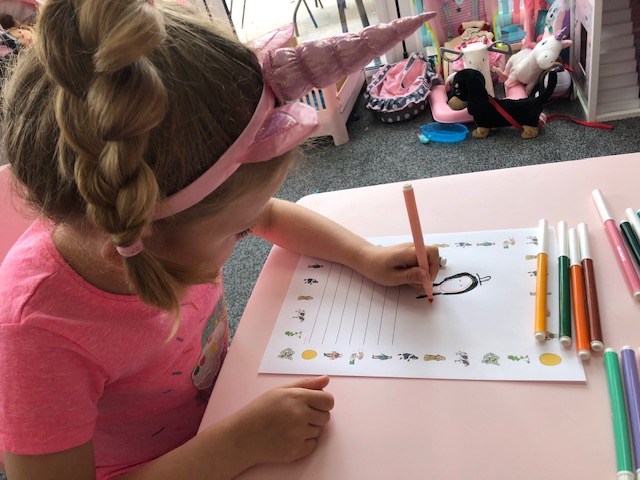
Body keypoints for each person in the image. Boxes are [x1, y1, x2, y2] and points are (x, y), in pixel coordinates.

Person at [0, 1, 439, 479]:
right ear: (135, 244)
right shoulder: (33, 337)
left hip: (228, 402)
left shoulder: (161, 224)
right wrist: (235, 445)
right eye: (238, 231)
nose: (250, 229)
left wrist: (364, 255)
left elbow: (268, 215)